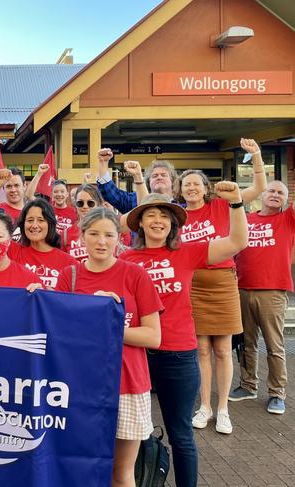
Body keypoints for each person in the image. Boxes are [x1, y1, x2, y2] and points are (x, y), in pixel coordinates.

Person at [119, 188, 247, 487]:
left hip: (177, 353)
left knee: (181, 435)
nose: (158, 220)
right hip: (133, 355)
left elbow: (238, 242)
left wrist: (237, 202)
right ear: (139, 223)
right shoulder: (125, 260)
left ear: (173, 225)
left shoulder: (187, 252)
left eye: (165, 216)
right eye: (150, 215)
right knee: (128, 430)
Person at [56, 207, 162, 487]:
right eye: (94, 234)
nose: (101, 241)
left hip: (128, 383)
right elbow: (60, 332)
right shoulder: (70, 276)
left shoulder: (135, 274)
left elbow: (153, 337)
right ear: (81, 237)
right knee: (81, 466)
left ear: (119, 238)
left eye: (108, 235)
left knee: (121, 473)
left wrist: (111, 322)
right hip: (81, 386)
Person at [178, 139, 266, 434]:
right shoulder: (177, 217)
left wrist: (255, 156)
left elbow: (257, 190)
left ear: (205, 187)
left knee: (224, 350)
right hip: (193, 285)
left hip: (223, 282)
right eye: (186, 185)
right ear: (180, 190)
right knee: (201, 350)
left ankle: (224, 409)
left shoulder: (221, 205)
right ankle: (204, 406)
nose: (190, 189)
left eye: (195, 184)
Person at [231, 180, 293, 415]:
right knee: (246, 343)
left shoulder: (287, 219)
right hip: (242, 289)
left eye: (281, 193)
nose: (275, 195)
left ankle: (277, 393)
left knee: (274, 345)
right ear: (262, 194)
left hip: (272, 291)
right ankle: (248, 386)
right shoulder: (246, 219)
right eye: (271, 191)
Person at [10, 199, 76, 290]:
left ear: (50, 224)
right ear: (23, 224)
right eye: (30, 220)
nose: (34, 225)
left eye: (41, 220)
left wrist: (52, 294)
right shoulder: (13, 251)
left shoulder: (69, 262)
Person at [97, 148, 178, 213]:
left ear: (172, 180)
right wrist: (103, 162)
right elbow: (111, 193)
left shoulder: (183, 204)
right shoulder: (134, 200)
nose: (159, 177)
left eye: (164, 175)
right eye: (154, 176)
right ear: (148, 182)